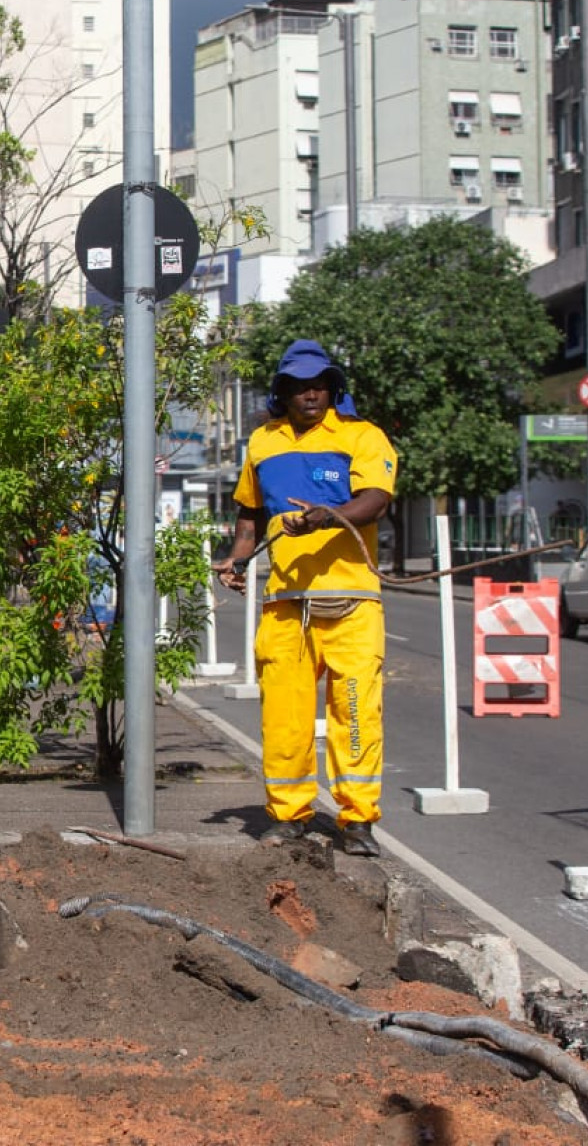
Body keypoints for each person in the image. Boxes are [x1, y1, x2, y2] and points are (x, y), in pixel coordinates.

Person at [213, 340, 398, 857]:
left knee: (356, 714)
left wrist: (325, 515)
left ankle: (356, 821)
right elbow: (250, 511)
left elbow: (376, 500)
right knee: (284, 718)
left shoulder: (362, 436)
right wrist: (238, 558)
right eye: (299, 387)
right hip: (286, 604)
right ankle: (288, 814)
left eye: (319, 385)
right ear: (283, 393)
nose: (311, 394)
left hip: (352, 604)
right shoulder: (262, 443)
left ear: (333, 389)